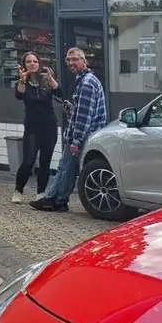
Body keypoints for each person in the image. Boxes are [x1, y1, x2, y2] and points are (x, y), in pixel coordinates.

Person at [33, 46, 106, 212]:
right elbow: (84, 110)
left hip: (81, 135)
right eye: (68, 60)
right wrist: (72, 108)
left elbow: (84, 117)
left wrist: (76, 140)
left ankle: (53, 199)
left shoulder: (86, 83)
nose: (71, 63)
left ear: (83, 61)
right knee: (67, 167)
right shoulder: (86, 80)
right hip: (85, 134)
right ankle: (58, 200)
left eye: (75, 59)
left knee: (65, 167)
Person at [12, 51, 59, 203]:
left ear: (39, 64)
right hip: (32, 128)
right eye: (29, 62)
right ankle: (18, 190)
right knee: (28, 160)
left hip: (49, 127)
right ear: (24, 65)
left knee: (45, 161)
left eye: (35, 62)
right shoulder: (23, 82)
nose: (32, 64)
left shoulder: (45, 80)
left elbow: (60, 92)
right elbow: (19, 95)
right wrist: (22, 80)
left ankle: (41, 192)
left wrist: (52, 80)